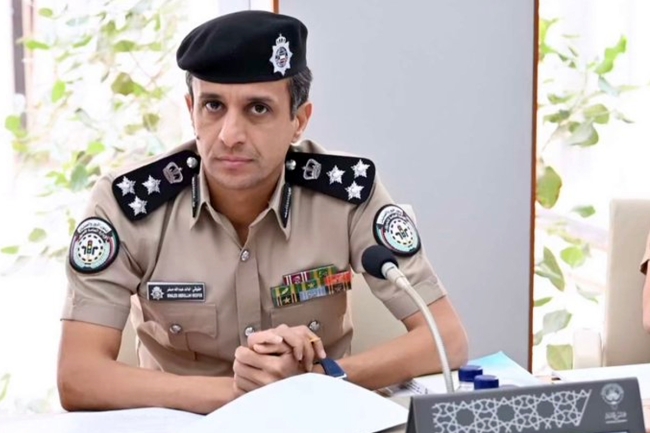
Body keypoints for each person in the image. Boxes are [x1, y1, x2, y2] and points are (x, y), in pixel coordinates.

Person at [57, 10, 468, 414]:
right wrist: (247, 395)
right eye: (213, 106)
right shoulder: (129, 203)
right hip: (187, 424)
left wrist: (322, 380)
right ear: (191, 110)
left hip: (317, 420)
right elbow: (78, 376)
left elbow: (446, 339)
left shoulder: (347, 193)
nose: (230, 135)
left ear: (298, 121)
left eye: (258, 109)